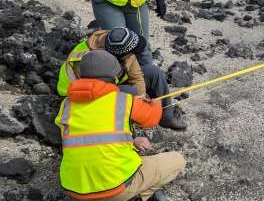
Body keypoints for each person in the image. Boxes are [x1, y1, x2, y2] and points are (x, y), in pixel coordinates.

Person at [55, 50, 186, 201]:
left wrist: (131, 140)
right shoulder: (122, 100)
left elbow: (90, 136)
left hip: (75, 189)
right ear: (114, 75)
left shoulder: (66, 106)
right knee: (178, 161)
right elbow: (153, 118)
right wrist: (149, 101)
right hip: (114, 187)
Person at [56, 26, 187, 130]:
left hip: (110, 81)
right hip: (77, 94)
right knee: (130, 92)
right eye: (132, 52)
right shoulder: (91, 60)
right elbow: (93, 92)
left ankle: (166, 116)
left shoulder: (117, 40)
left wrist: (141, 98)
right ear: (119, 55)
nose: (134, 54)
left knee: (153, 72)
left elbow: (136, 77)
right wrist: (134, 104)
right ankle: (125, 123)